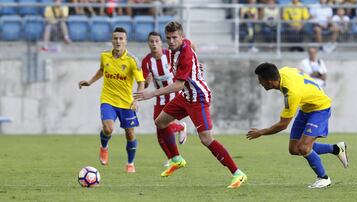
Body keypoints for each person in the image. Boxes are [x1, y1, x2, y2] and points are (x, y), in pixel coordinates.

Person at [134, 21, 247, 189]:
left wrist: (151, 93)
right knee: (160, 122)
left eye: (175, 38)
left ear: (181, 37)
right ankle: (177, 160)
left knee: (206, 139)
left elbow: (178, 85)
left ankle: (237, 173)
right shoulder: (182, 46)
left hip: (198, 97)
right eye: (169, 38)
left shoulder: (185, 53)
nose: (171, 41)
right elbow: (194, 44)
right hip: (186, 95)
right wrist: (196, 64)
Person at [246, 62, 348, 189]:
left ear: (269, 81)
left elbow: (283, 125)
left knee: (304, 148)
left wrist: (261, 132)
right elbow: (297, 71)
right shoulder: (283, 72)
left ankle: (323, 178)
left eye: (260, 80)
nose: (260, 83)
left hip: (320, 109)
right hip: (306, 108)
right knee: (294, 149)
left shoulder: (292, 93)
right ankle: (336, 149)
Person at [78, 27, 145, 173]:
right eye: (115, 38)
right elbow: (102, 70)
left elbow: (141, 82)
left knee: (130, 134)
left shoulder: (132, 60)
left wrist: (136, 99)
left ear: (126, 41)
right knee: (108, 129)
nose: (118, 41)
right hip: (108, 99)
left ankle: (130, 163)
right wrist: (90, 82)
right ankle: (104, 147)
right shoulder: (105, 55)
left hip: (126, 102)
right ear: (112, 40)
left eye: (121, 38)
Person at [141, 31, 187, 167]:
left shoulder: (170, 55)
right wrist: (146, 82)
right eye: (151, 41)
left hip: (174, 95)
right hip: (160, 98)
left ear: (161, 43)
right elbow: (143, 84)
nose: (154, 44)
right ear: (148, 44)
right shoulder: (146, 61)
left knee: (163, 126)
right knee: (159, 130)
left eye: (157, 41)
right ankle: (172, 157)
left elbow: (184, 66)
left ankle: (176, 157)